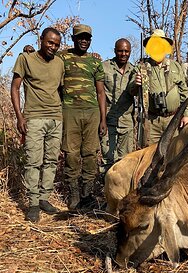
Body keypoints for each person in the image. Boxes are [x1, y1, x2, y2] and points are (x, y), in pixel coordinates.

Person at [11, 27, 65, 222]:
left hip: (56, 118)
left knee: (51, 161)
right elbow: (15, 88)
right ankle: (33, 203)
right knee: (34, 162)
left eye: (57, 44)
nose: (53, 47)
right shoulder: (25, 59)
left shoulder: (59, 62)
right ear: (41, 39)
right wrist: (19, 117)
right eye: (50, 42)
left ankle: (44, 198)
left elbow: (61, 89)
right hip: (34, 117)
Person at [58, 24, 107, 209]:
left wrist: (103, 119)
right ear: (73, 38)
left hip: (92, 112)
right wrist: (29, 51)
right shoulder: (62, 57)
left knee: (90, 154)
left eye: (87, 38)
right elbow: (44, 59)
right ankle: (74, 194)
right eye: (80, 37)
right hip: (70, 111)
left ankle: (87, 194)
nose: (84, 41)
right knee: (70, 153)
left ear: (90, 40)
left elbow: (101, 93)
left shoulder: (95, 62)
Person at [129, 29, 188, 146]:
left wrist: (187, 115)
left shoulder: (176, 66)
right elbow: (131, 91)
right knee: (150, 156)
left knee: (174, 153)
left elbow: (184, 92)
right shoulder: (141, 67)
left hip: (173, 120)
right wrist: (136, 83)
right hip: (151, 121)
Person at [100, 38, 135, 175]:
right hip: (108, 120)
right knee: (107, 159)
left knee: (126, 160)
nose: (123, 54)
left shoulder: (134, 70)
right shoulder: (104, 67)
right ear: (115, 51)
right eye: (120, 51)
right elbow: (99, 92)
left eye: (126, 51)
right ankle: (106, 191)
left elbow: (135, 91)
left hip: (126, 120)